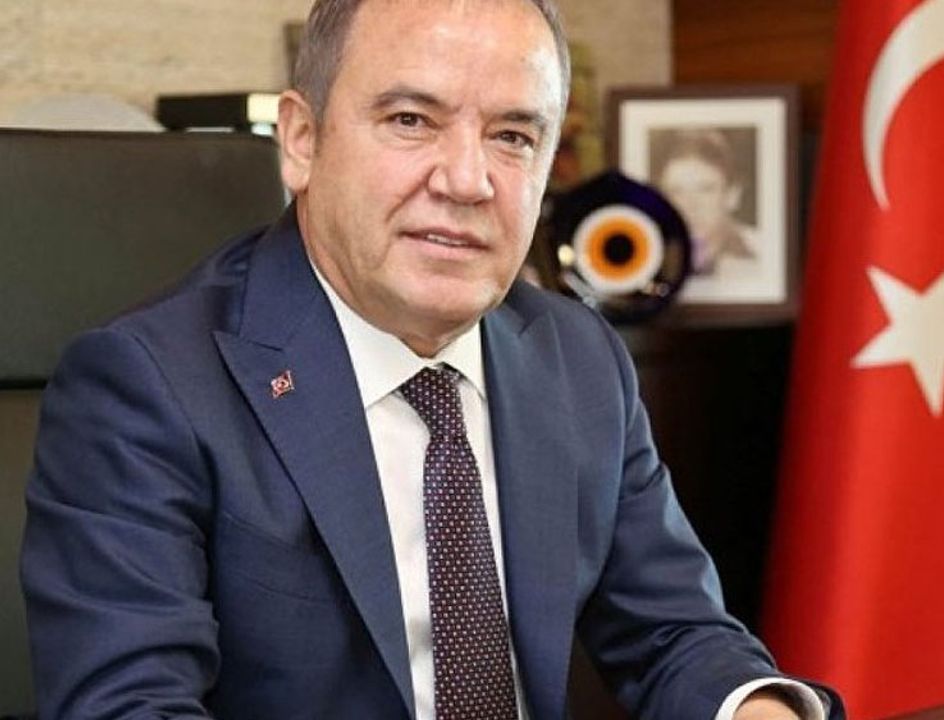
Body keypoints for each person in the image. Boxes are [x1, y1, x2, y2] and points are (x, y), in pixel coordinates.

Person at [20, 1, 843, 718]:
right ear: (301, 141)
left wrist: (757, 708)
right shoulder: (147, 385)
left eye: (513, 135)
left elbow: (673, 633)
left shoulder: (577, 355)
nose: (467, 179)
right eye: (411, 120)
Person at [656, 128, 759, 276]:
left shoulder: (766, 255)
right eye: (676, 191)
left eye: (705, 190)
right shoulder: (648, 256)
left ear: (733, 196)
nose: (689, 205)